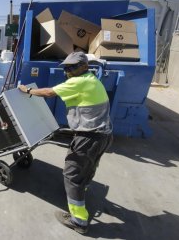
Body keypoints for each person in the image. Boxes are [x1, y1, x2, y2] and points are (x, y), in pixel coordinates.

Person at [18, 51, 113, 234]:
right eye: (67, 68)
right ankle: (80, 189)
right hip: (104, 135)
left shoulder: (78, 82)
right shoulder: (92, 79)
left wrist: (27, 90)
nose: (68, 71)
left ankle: (79, 221)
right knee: (89, 166)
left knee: (71, 173)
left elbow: (48, 93)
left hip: (90, 136)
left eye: (72, 67)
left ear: (84, 66)